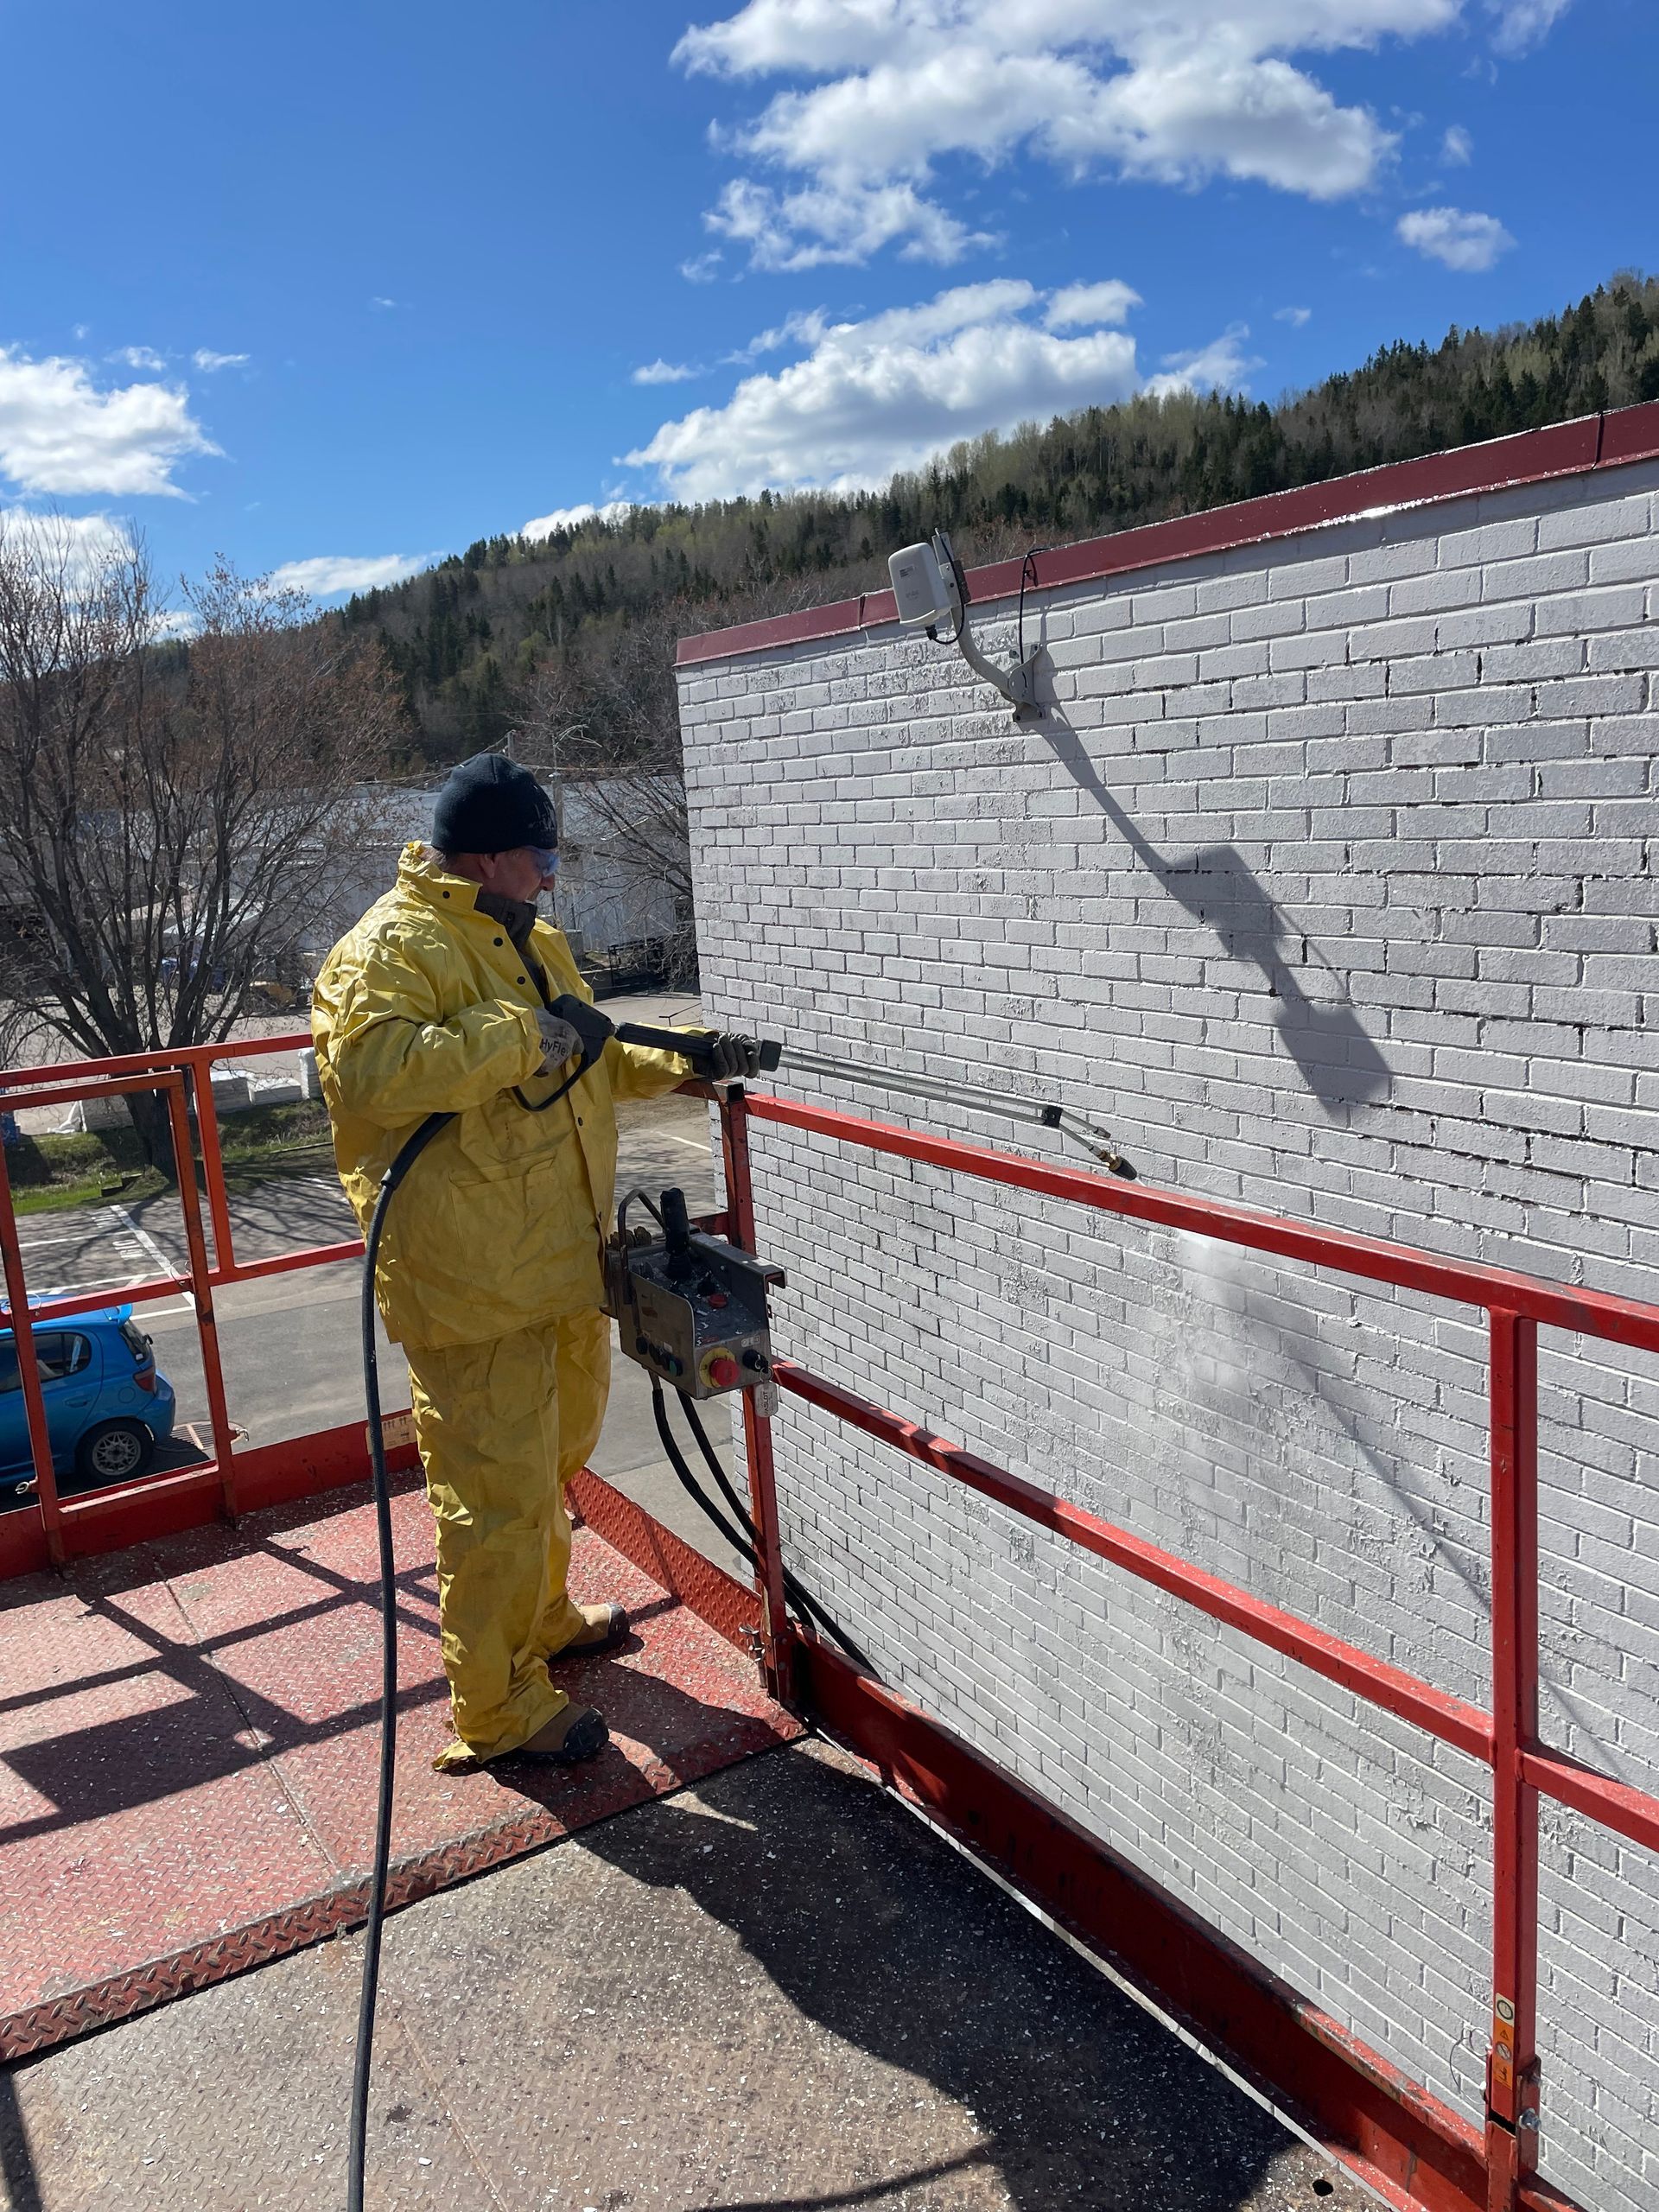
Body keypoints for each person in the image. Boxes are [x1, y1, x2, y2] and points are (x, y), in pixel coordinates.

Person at [311, 753, 760, 1770]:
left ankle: (543, 1617)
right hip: (469, 1286)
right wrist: (526, 1033)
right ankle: (498, 1703)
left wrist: (689, 1058)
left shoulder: (533, 940)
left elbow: (589, 1054)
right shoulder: (388, 949)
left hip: (559, 1264)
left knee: (553, 1459)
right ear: (488, 855)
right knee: (494, 1500)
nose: (553, 875)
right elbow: (374, 1074)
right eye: (541, 854)